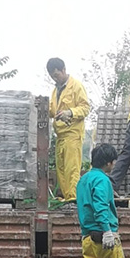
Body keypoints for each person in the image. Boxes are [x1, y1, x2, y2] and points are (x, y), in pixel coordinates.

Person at [76, 143, 129, 258]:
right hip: (104, 237)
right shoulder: (103, 180)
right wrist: (107, 231)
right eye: (114, 161)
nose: (114, 164)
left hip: (87, 237)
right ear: (108, 162)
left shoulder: (83, 179)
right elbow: (100, 207)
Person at [47, 57, 90, 201]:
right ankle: (67, 198)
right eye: (52, 76)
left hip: (73, 134)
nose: (55, 78)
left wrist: (70, 112)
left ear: (64, 70)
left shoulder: (76, 86)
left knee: (72, 169)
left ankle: (73, 199)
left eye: (56, 75)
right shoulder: (55, 91)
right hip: (60, 135)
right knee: (61, 170)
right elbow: (52, 110)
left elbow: (85, 108)